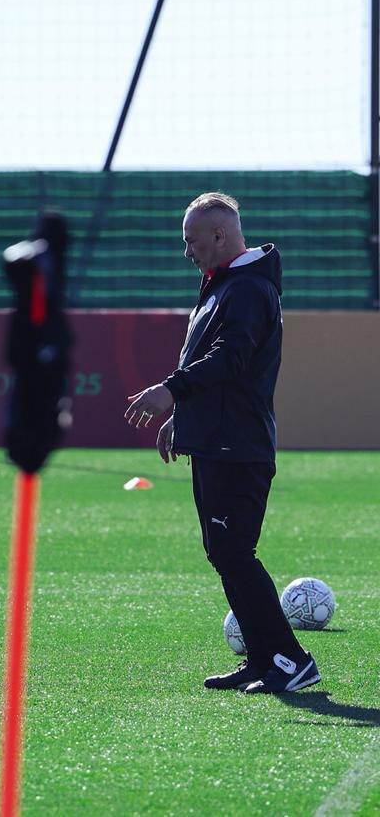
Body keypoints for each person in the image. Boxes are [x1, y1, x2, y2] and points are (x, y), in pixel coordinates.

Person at [124, 192, 317, 695]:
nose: (186, 251)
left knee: (234, 551)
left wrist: (171, 390)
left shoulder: (249, 288)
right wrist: (183, 416)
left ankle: (292, 660)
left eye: (192, 240)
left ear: (219, 235)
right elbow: (215, 364)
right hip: (217, 442)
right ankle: (264, 660)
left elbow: (230, 358)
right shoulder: (224, 284)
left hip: (239, 446)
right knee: (224, 552)